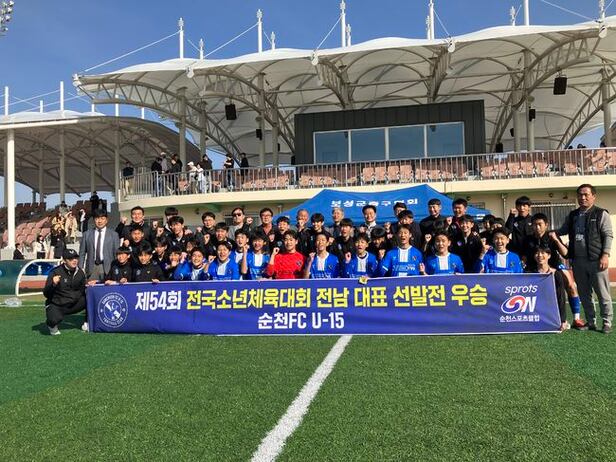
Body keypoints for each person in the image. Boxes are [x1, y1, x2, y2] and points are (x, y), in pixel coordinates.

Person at [556, 184, 613, 333]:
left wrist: (605, 255)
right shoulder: (573, 215)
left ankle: (607, 322)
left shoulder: (601, 214)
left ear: (593, 196)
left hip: (596, 260)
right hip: (578, 261)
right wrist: (548, 232)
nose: (583, 197)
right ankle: (591, 321)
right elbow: (562, 230)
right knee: (584, 294)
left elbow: (608, 235)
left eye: (586, 194)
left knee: (602, 293)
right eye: (580, 195)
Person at [44, 249, 87, 336]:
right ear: (64, 260)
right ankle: (52, 326)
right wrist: (53, 284)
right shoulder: (55, 272)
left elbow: (82, 290)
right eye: (70, 259)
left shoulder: (80, 273)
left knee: (90, 298)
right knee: (53, 320)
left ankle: (88, 322)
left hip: (73, 304)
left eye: (76, 258)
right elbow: (46, 294)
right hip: (58, 304)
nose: (74, 260)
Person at [79, 209, 120, 285]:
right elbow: (82, 253)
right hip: (92, 268)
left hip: (108, 268)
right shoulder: (87, 234)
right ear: (94, 220)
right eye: (97, 218)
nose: (100, 221)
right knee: (92, 289)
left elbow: (116, 253)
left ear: (106, 220)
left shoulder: (114, 235)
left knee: (107, 290)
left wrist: (116, 269)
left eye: (102, 218)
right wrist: (80, 268)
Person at [534, 247, 569, 332]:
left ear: (549, 256)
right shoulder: (530, 273)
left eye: (543, 253)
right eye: (537, 253)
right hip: (535, 311)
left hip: (551, 311)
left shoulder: (556, 274)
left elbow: (561, 297)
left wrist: (563, 320)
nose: (539, 255)